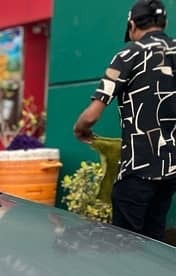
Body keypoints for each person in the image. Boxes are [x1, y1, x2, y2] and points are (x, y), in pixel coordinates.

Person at [73, 0, 176, 241]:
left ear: (132, 25)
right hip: (171, 169)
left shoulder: (129, 53)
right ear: (165, 23)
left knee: (125, 245)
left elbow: (92, 115)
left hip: (138, 171)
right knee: (155, 239)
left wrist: (81, 130)